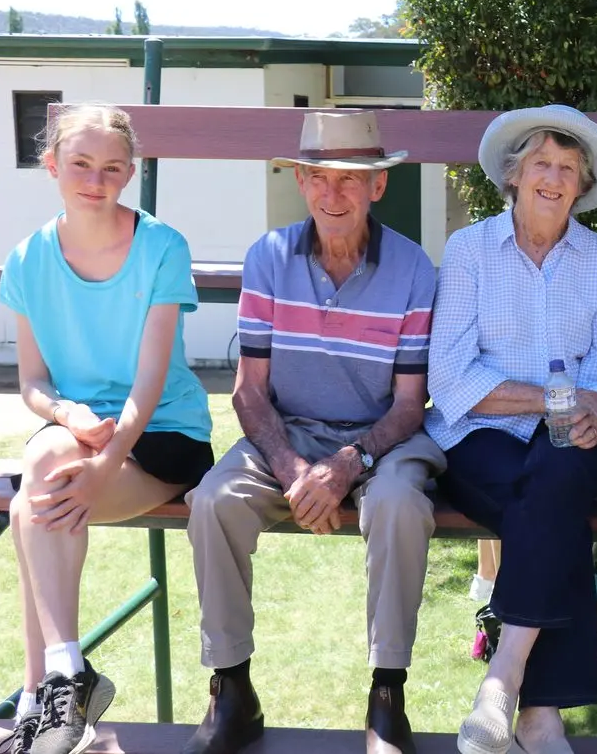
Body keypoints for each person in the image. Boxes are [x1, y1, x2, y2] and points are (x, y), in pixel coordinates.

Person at [182, 112, 442, 754]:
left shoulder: (413, 268)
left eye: (350, 180)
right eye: (319, 178)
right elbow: (249, 390)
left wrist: (348, 464)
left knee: (400, 503)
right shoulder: (268, 258)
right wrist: (296, 470)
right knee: (212, 501)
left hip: (381, 441)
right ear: (300, 181)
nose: (334, 194)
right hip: (286, 435)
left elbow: (412, 404)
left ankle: (388, 693)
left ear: (378, 187)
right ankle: (232, 688)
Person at [0, 104, 214, 754]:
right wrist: (67, 414)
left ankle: (43, 687)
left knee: (33, 501)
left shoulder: (161, 247)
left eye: (112, 168)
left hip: (163, 433)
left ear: (130, 171)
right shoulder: (28, 258)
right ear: (53, 166)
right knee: (44, 472)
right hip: (80, 429)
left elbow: (148, 384)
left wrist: (103, 464)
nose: (95, 179)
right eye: (81, 164)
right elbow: (32, 381)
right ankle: (65, 676)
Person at [426, 105, 597, 754]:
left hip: (574, 437)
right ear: (513, 176)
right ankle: (540, 715)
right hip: (479, 432)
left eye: (567, 168)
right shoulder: (469, 250)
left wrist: (594, 411)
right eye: (541, 163)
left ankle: (501, 680)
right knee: (549, 506)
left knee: (559, 473)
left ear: (581, 184)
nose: (553, 177)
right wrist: (559, 399)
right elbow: (452, 378)